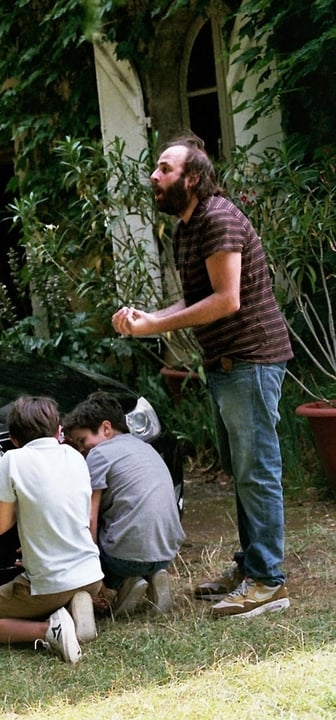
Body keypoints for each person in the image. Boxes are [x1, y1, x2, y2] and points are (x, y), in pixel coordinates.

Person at [113, 134, 293, 619]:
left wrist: (157, 324)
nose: (154, 176)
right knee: (242, 472)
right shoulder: (187, 229)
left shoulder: (217, 218)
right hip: (225, 364)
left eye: (164, 169)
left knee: (257, 472)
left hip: (251, 361)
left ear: (192, 178)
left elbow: (226, 300)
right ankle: (251, 565)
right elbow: (197, 302)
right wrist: (146, 319)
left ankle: (268, 582)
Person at [0, 396, 102, 665]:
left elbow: (0, 525)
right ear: (58, 430)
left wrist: (23, 504)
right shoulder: (75, 457)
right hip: (92, 575)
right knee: (62, 587)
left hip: (51, 584)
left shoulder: (13, 460)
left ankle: (49, 630)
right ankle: (75, 605)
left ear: (13, 438)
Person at [62, 392, 185, 616]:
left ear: (106, 428)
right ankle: (154, 575)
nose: (81, 449)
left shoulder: (98, 454)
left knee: (80, 531)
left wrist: (90, 567)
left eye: (82, 440)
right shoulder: (145, 448)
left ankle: (124, 583)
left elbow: (89, 517)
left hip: (124, 559)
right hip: (166, 553)